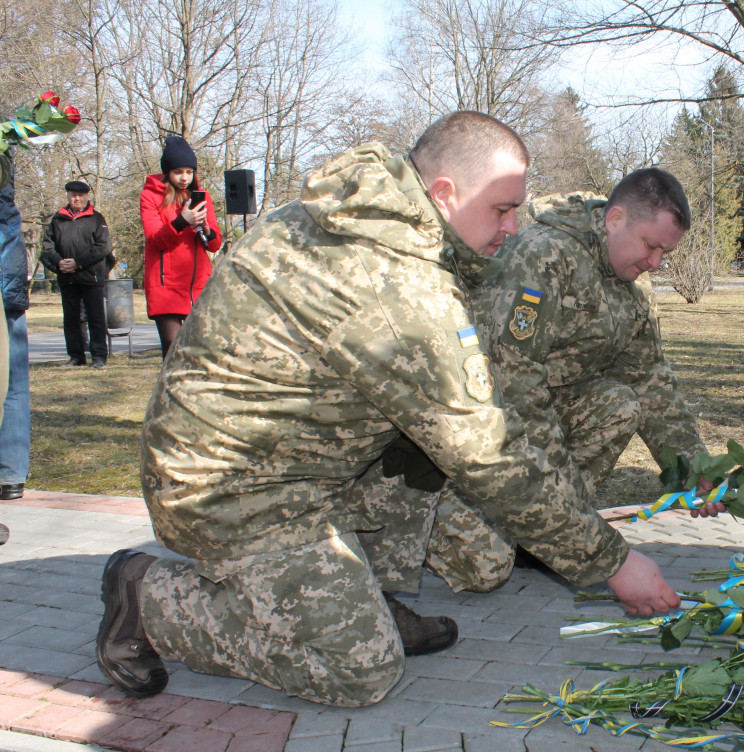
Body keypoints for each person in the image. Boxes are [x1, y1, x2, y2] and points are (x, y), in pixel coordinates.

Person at [95, 112, 680, 709]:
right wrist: (612, 562)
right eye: (502, 209)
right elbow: (489, 455)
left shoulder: (366, 220)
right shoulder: (393, 279)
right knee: (361, 669)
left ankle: (360, 592)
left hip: (297, 456)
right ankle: (151, 598)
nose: (512, 226)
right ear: (445, 193)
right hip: (227, 486)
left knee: (420, 451)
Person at [473, 169, 709, 506]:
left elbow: (649, 379)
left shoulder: (635, 282)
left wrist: (698, 471)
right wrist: (559, 484)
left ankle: (558, 514)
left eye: (665, 253)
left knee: (619, 403)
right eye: (651, 246)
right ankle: (543, 513)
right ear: (615, 219)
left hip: (548, 410)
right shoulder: (544, 255)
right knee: (518, 525)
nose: (656, 263)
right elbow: (513, 378)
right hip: (489, 415)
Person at [140, 136, 221, 358]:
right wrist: (181, 221)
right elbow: (155, 239)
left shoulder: (202, 197)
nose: (185, 177)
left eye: (189, 171)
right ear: (168, 172)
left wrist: (206, 230)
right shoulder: (150, 196)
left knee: (201, 345)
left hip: (197, 282)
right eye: (178, 172)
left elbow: (215, 244)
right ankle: (170, 381)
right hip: (165, 283)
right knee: (172, 344)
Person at [41, 180, 113, 367]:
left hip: (92, 276)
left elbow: (103, 247)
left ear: (87, 196)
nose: (77, 199)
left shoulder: (96, 218)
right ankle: (76, 356)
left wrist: (78, 263)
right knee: (71, 319)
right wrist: (59, 262)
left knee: (96, 318)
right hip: (67, 277)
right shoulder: (58, 219)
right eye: (73, 195)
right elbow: (48, 247)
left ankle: (99, 356)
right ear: (68, 196)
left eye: (81, 195)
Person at [0, 151, 29, 502]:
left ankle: (11, 471)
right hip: (10, 280)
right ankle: (11, 473)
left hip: (8, 286)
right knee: (14, 380)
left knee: (14, 379)